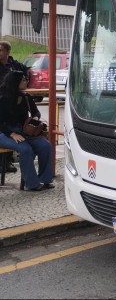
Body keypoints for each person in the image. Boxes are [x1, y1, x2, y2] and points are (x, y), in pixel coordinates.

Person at [0, 71, 53, 191]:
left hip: (24, 131)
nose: (26, 81)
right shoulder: (3, 99)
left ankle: (45, 179)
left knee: (45, 146)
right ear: (16, 82)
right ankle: (32, 184)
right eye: (24, 79)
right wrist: (12, 134)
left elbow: (36, 112)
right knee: (25, 149)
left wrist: (35, 118)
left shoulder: (26, 97)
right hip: (5, 133)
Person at [0, 41, 28, 173]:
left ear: (7, 51)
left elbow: (25, 71)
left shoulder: (14, 65)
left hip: (12, 99)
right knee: (5, 128)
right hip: (3, 99)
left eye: (1, 50)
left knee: (14, 127)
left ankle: (7, 162)